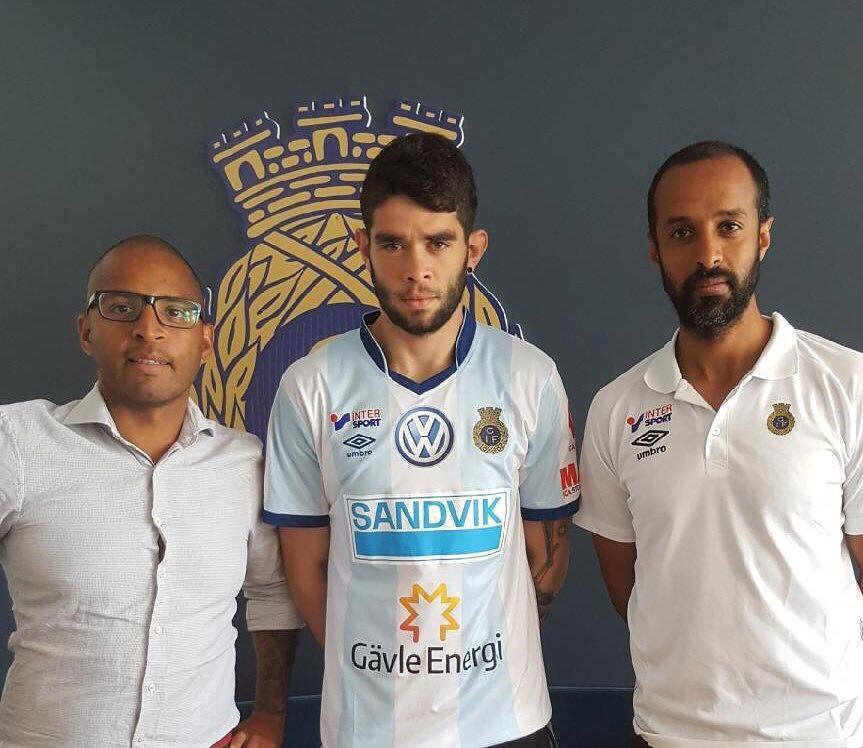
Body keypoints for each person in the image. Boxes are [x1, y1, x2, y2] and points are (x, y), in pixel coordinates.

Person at [264, 132, 577, 747]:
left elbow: (546, 556)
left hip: (507, 723)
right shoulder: (311, 385)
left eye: (438, 242)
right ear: (363, 247)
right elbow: (306, 568)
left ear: (473, 249)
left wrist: (479, 659)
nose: (417, 270)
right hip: (367, 728)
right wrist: (384, 673)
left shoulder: (530, 376)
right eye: (393, 244)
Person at [575, 141, 863, 746]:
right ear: (654, 248)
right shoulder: (616, 409)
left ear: (763, 236)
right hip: (668, 735)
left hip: (820, 735)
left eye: (728, 226)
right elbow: (630, 588)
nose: (708, 254)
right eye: (682, 232)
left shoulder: (848, 385)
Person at [0, 235, 301, 747]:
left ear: (204, 341)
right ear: (86, 331)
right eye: (122, 308)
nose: (148, 329)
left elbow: (272, 591)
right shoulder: (19, 443)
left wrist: (271, 712)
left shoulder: (244, 462)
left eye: (175, 312)